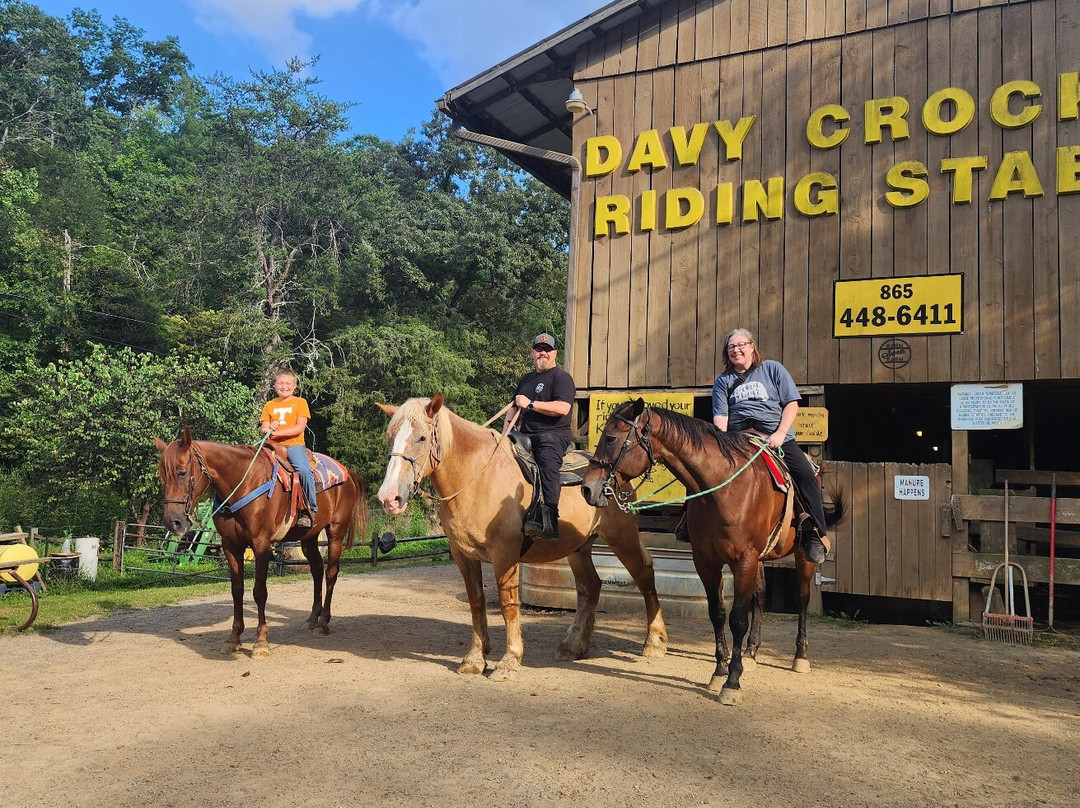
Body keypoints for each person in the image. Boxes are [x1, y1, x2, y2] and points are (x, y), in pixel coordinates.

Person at [711, 328, 830, 564]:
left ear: (752, 346)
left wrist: (780, 434)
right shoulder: (723, 381)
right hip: (738, 439)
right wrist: (720, 444)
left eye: (741, 345)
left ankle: (815, 534)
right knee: (705, 468)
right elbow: (721, 418)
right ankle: (689, 522)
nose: (736, 350)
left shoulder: (772, 369)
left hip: (776, 437)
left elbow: (792, 404)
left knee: (805, 476)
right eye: (731, 347)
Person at [505, 333, 576, 540]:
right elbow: (513, 409)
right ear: (532, 353)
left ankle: (549, 519)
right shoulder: (526, 379)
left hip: (553, 435)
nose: (542, 353)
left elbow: (562, 408)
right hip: (525, 435)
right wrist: (503, 435)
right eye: (538, 349)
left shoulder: (561, 378)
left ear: (554, 354)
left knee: (547, 462)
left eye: (547, 350)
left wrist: (530, 404)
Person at [259, 368, 318, 529]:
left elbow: (299, 428)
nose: (284, 386)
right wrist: (268, 428)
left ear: (295, 386)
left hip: (293, 445)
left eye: (288, 383)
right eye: (280, 383)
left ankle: (310, 509)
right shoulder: (269, 405)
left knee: (304, 471)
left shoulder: (300, 402)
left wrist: (275, 432)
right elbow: (263, 428)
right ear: (274, 385)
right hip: (271, 445)